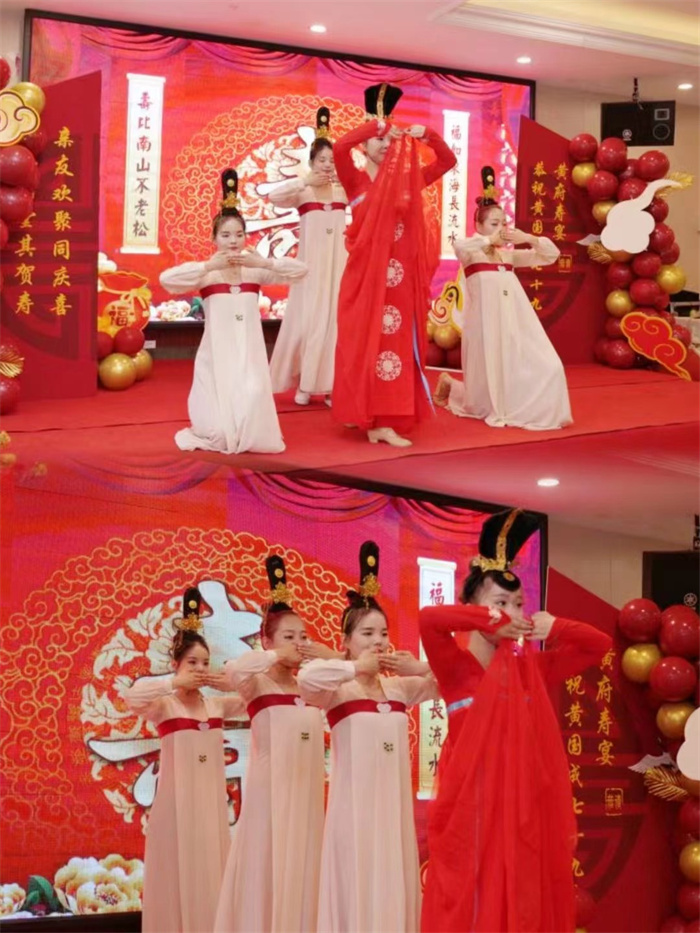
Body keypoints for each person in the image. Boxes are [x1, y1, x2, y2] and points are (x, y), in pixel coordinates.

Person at [419, 510, 612, 933]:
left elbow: (598, 645)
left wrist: (556, 625)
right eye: (500, 602)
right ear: (472, 607)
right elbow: (429, 621)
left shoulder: (534, 670)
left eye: (518, 604)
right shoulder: (455, 667)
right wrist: (490, 619)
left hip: (523, 818)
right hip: (470, 818)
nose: (511, 612)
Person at [298, 541, 439, 932]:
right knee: (356, 886)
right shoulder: (338, 690)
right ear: (346, 642)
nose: (378, 641)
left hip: (393, 814)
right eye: (367, 633)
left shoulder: (399, 689)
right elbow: (307, 680)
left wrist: (419, 667)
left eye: (383, 633)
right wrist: (350, 666)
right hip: (354, 813)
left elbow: (456, 681)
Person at [331, 83, 457, 447]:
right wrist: (377, 125)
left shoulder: (407, 181)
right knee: (360, 344)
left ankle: (382, 420)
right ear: (365, 145)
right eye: (377, 140)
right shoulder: (355, 180)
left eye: (389, 139)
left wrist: (428, 134)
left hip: (400, 283)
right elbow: (339, 147)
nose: (385, 144)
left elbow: (447, 161)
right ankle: (364, 411)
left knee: (394, 347)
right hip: (365, 280)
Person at [160, 168, 307, 454]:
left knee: (253, 413)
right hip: (216, 357)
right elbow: (167, 280)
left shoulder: (254, 271)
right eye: (225, 235)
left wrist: (265, 263)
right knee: (217, 434)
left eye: (239, 234)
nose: (233, 241)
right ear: (214, 239)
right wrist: (208, 266)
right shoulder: (207, 274)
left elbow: (301, 272)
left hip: (250, 357)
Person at [123, 587, 245, 933]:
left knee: (211, 873)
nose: (199, 669)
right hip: (176, 809)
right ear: (176, 665)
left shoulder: (215, 706)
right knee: (176, 876)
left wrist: (226, 682)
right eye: (192, 662)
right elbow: (133, 697)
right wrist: (173, 682)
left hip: (211, 809)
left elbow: (252, 697)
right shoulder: (165, 706)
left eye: (204, 663)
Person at [433, 167, 573, 430]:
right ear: (479, 226)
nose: (502, 229)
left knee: (550, 366)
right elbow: (461, 245)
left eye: (504, 224)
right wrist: (489, 239)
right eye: (494, 224)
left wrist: (528, 238)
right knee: (485, 391)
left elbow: (550, 255)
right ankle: (452, 387)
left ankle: (518, 406)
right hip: (485, 327)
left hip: (514, 325)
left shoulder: (508, 256)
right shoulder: (471, 252)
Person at [268, 107, 348, 407]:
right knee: (308, 325)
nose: (327, 165)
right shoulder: (303, 192)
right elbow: (274, 197)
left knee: (333, 327)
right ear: (312, 162)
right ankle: (304, 383)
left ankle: (328, 387)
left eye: (332, 160)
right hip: (309, 271)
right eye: (322, 160)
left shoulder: (342, 193)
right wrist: (305, 182)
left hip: (338, 269)